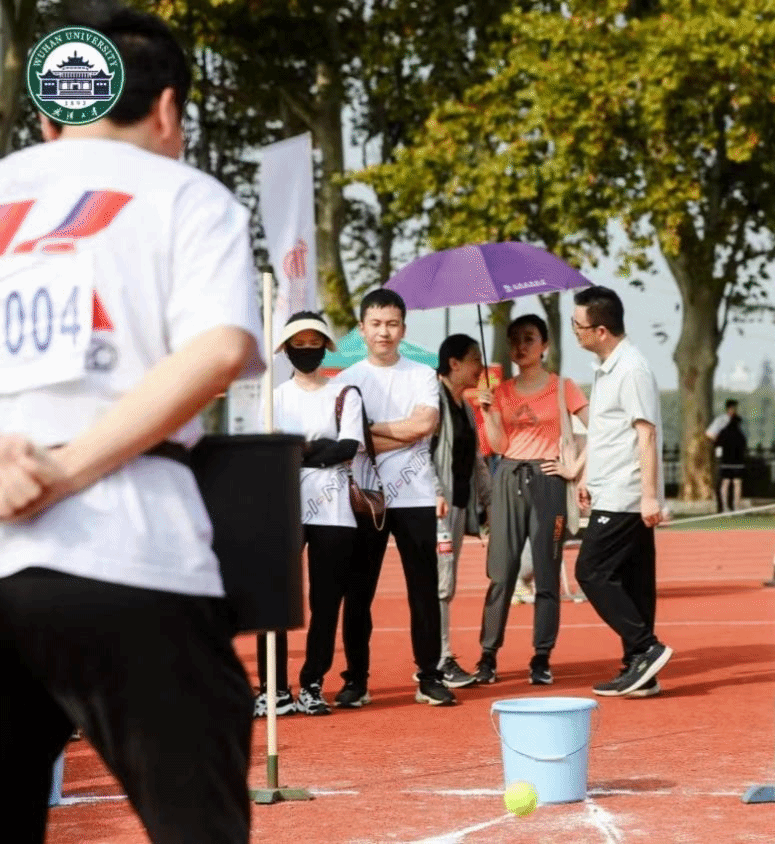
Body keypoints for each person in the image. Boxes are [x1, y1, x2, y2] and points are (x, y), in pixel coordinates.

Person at [0, 7, 262, 841]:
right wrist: (67, 469)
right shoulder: (187, 195)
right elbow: (218, 347)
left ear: (49, 115)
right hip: (132, 549)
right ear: (168, 109)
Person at [334, 289, 455, 707]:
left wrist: (367, 431)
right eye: (376, 324)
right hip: (365, 497)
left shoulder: (421, 374)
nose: (384, 332)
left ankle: (429, 676)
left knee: (423, 591)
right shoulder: (346, 379)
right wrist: (396, 432)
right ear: (362, 329)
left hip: (415, 495)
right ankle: (356, 680)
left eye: (392, 324)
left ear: (403, 328)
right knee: (358, 592)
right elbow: (347, 442)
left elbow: (423, 426)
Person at [255, 312, 365, 717]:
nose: (306, 351)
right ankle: (273, 688)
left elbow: (348, 447)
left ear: (325, 347)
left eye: (313, 343)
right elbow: (270, 449)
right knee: (275, 599)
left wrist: (300, 451)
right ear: (286, 350)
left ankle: (313, 684)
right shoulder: (275, 397)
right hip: (284, 506)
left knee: (326, 601)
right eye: (298, 345)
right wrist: (317, 450)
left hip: (334, 510)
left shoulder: (345, 394)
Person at [474, 315, 588, 685]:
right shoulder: (501, 391)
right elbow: (499, 445)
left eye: (529, 338)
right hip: (509, 476)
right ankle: (488, 655)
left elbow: (599, 428)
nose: (521, 346)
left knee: (546, 571)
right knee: (502, 572)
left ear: (545, 345)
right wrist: (489, 414)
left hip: (548, 479)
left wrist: (574, 469)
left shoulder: (563, 387)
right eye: (515, 340)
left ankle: (541, 657)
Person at [572, 286, 673, 698]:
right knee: (634, 581)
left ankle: (646, 647)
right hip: (610, 487)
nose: (574, 332)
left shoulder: (631, 369)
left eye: (578, 326)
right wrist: (586, 476)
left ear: (600, 330)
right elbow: (606, 434)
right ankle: (640, 668)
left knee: (590, 570)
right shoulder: (607, 367)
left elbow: (645, 434)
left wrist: (648, 496)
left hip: (626, 492)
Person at [430, 334, 492, 688]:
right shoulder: (433, 401)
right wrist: (435, 492)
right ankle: (439, 659)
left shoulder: (466, 407)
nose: (480, 367)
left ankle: (436, 657)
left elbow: (477, 460)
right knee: (441, 583)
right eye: (475, 359)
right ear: (454, 364)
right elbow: (421, 453)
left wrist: (489, 502)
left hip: (458, 506)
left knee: (446, 582)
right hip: (437, 509)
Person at [706, 399, 747, 512]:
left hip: (735, 454)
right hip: (727, 454)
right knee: (726, 481)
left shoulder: (738, 422)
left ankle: (735, 506)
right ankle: (725, 506)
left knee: (735, 481)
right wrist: (718, 446)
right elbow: (710, 434)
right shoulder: (722, 421)